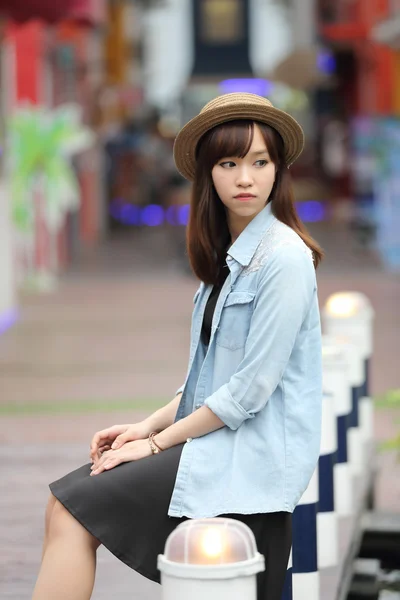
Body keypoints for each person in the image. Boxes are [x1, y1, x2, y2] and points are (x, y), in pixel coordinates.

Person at [32, 93, 324, 600]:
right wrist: (144, 426)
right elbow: (208, 380)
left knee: (73, 508)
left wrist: (156, 445)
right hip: (215, 445)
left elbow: (250, 390)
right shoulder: (228, 262)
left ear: (279, 171)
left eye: (260, 162)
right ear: (208, 174)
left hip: (248, 461)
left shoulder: (284, 258)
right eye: (229, 163)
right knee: (67, 507)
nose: (246, 178)